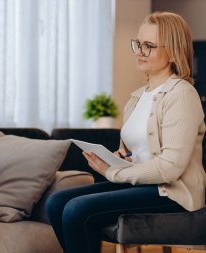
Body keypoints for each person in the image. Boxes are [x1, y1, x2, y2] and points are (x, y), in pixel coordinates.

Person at [46, 12, 206, 253]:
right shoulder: (137, 97)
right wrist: (121, 158)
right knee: (56, 202)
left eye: (149, 46)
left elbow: (171, 167)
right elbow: (136, 153)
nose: (140, 51)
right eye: (138, 44)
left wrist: (113, 172)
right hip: (140, 185)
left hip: (171, 193)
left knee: (76, 209)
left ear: (173, 52)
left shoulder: (182, 94)